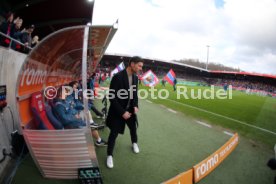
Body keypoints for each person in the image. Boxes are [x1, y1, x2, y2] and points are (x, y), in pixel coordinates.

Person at [106, 56, 144, 168]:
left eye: (141, 66)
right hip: (118, 111)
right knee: (114, 133)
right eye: (139, 65)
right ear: (132, 64)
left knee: (133, 128)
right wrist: (122, 112)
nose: (141, 68)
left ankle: (134, 143)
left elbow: (134, 94)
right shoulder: (117, 77)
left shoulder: (136, 78)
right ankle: (109, 155)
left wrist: (135, 105)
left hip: (130, 110)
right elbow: (112, 97)